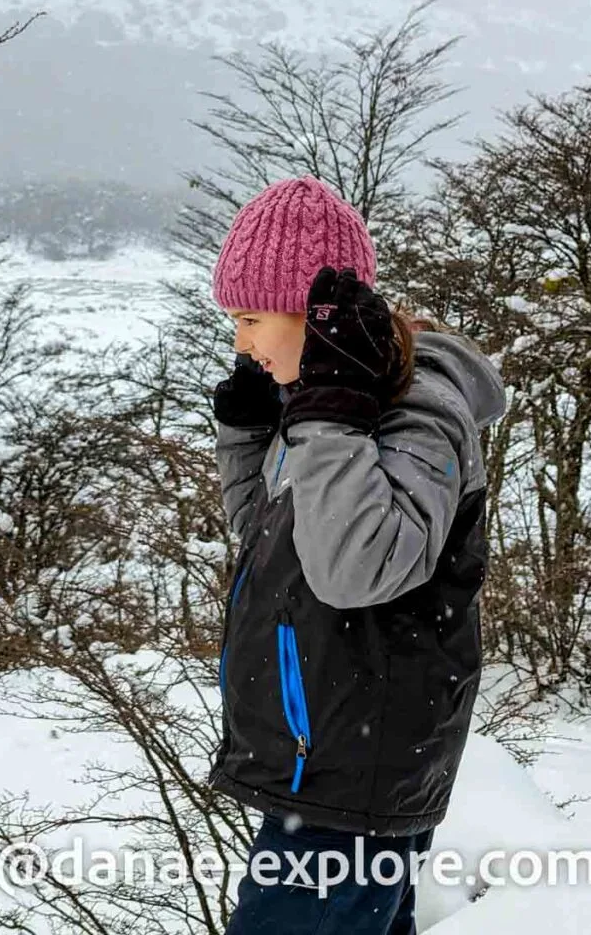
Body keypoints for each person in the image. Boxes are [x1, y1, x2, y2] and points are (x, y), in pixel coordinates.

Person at [207, 176, 506, 934]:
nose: (240, 343)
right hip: (321, 760)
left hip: (352, 776)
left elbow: (355, 572)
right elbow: (274, 548)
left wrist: (328, 425)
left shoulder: (410, 411)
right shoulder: (323, 403)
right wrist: (249, 438)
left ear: (311, 317)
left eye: (249, 318)